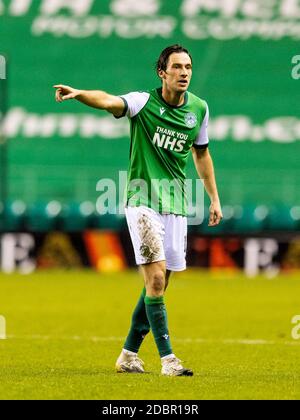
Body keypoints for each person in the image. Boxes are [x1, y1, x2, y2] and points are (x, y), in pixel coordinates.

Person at [54, 44, 222, 376]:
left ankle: (128, 355)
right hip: (142, 201)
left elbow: (202, 154)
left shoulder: (199, 110)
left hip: (176, 203)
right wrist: (79, 94)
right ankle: (169, 361)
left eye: (188, 66)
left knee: (158, 285)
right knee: (156, 279)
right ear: (162, 73)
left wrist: (214, 198)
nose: (184, 72)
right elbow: (108, 100)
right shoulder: (143, 103)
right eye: (177, 67)